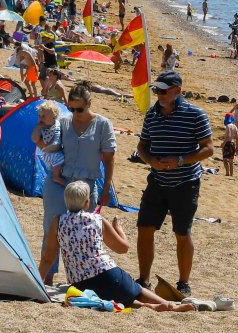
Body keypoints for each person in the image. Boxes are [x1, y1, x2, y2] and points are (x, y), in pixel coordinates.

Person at [38, 182, 196, 312]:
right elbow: (123, 248)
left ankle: (149, 307)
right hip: (108, 275)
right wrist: (118, 227)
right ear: (86, 203)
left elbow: (48, 258)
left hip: (80, 286)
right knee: (137, 290)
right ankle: (170, 305)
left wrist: (37, 283)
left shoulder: (58, 222)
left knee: (118, 301)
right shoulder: (96, 219)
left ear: (66, 201)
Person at [135, 71, 214, 297]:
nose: (158, 94)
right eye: (156, 90)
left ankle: (183, 283)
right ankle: (144, 279)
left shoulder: (195, 115)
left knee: (182, 232)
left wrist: (180, 160)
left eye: (163, 90)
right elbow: (142, 146)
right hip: (157, 180)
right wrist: (151, 161)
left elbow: (208, 149)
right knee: (144, 228)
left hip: (185, 182)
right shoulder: (152, 115)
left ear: (177, 91)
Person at [40, 82, 117, 285]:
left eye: (79, 109)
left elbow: (109, 160)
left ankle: (82, 279)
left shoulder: (103, 124)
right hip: (58, 183)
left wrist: (106, 188)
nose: (74, 112)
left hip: (85, 187)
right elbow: (48, 143)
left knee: (84, 232)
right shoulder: (64, 122)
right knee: (51, 230)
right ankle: (46, 279)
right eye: (71, 108)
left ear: (89, 103)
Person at [32, 100, 65, 185]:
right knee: (60, 159)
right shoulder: (41, 128)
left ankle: (56, 174)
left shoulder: (57, 125)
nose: (40, 118)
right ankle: (56, 177)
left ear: (54, 117)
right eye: (39, 116)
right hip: (49, 154)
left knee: (59, 162)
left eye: (43, 116)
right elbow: (34, 139)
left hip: (53, 153)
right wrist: (37, 128)